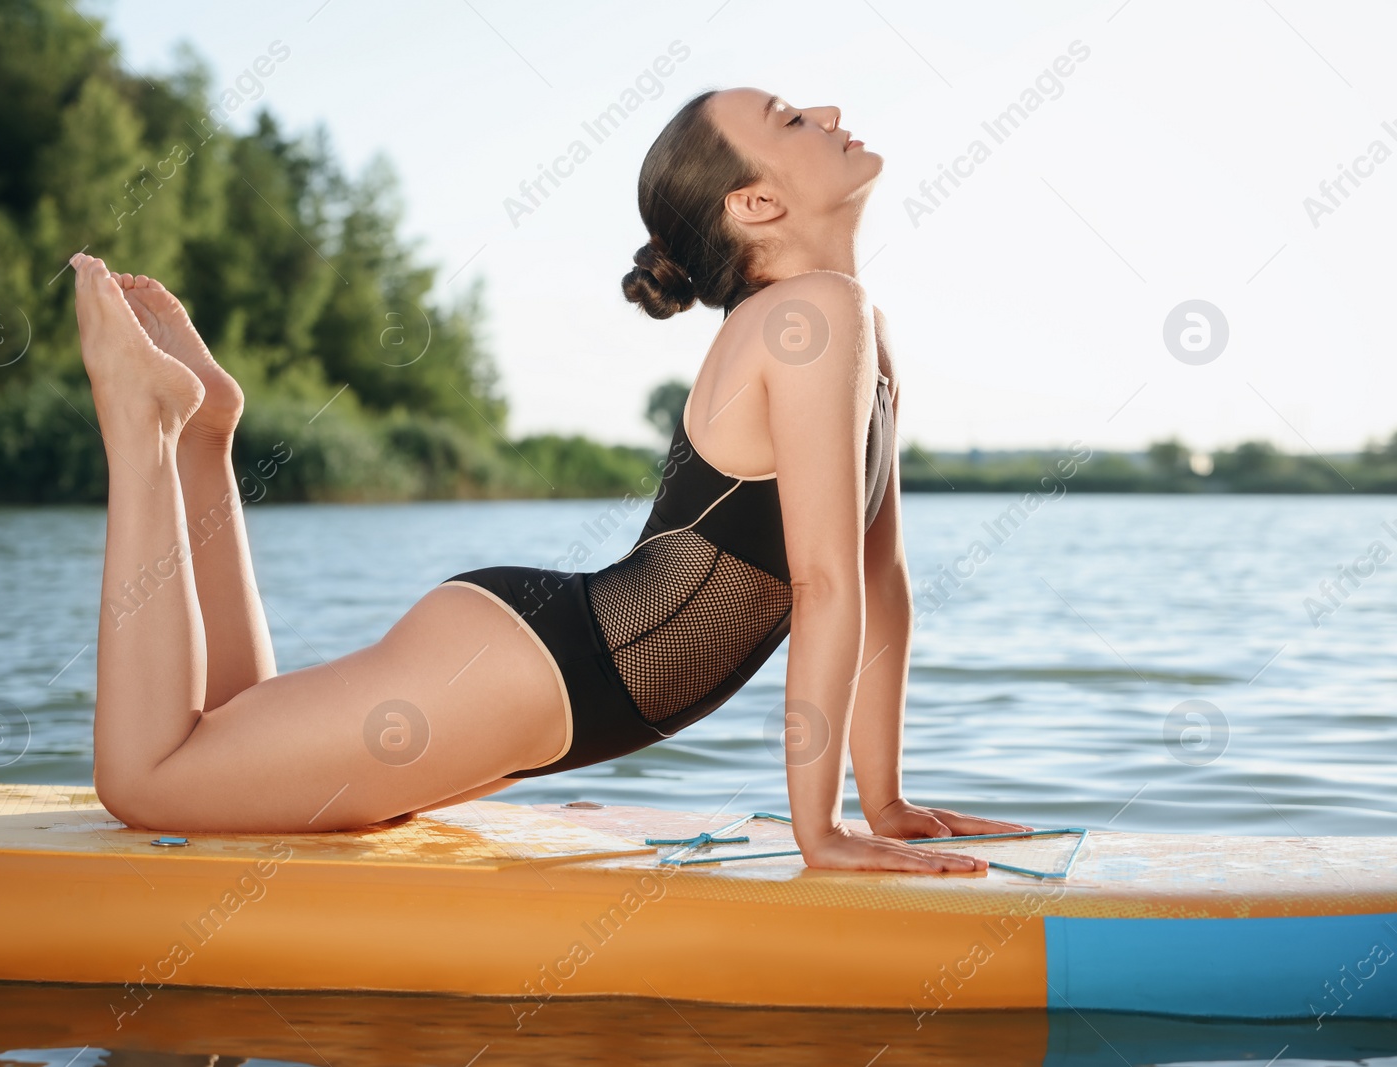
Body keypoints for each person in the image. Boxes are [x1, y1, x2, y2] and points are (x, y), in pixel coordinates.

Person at [73, 86, 1029, 872]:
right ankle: (141, 426)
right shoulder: (812, 316)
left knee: (232, 743)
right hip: (530, 671)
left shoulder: (851, 323)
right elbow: (822, 586)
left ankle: (204, 442)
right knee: (147, 781)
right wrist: (822, 834)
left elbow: (878, 582)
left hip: (544, 668)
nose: (824, 111)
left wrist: (885, 800)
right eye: (789, 119)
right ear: (756, 204)